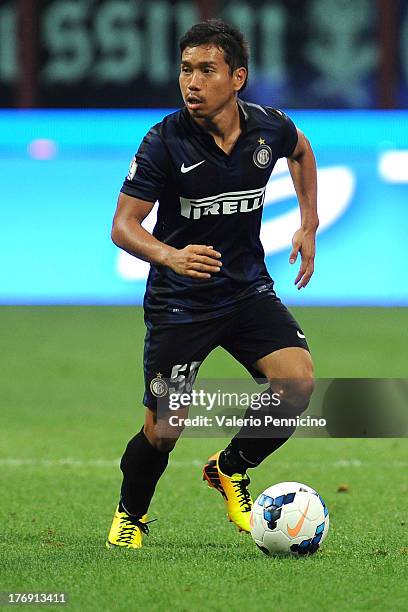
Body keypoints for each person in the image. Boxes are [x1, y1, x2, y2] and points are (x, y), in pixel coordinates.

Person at [106, 19, 318, 549]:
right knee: (164, 429)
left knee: (296, 382)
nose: (192, 83)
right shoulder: (163, 142)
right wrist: (170, 255)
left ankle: (231, 467)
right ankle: (130, 516)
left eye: (206, 70)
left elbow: (303, 153)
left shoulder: (269, 129)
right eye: (185, 70)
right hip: (180, 304)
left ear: (237, 78)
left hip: (246, 289)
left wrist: (308, 224)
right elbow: (123, 227)